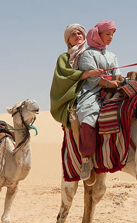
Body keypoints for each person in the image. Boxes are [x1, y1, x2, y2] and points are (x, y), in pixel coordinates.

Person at [76, 20, 122, 179]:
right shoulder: (88, 54)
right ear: (98, 34)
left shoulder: (112, 55)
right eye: (107, 34)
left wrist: (117, 81)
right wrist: (106, 82)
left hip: (112, 89)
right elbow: (91, 78)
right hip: (92, 92)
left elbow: (117, 73)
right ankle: (86, 159)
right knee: (89, 118)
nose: (110, 37)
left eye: (112, 34)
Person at [50, 24, 104, 127]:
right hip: (76, 96)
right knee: (75, 120)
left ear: (84, 36)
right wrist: (88, 73)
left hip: (98, 88)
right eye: (73, 34)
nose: (77, 36)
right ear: (68, 40)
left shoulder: (92, 53)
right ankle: (80, 143)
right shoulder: (64, 58)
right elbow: (65, 77)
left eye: (79, 33)